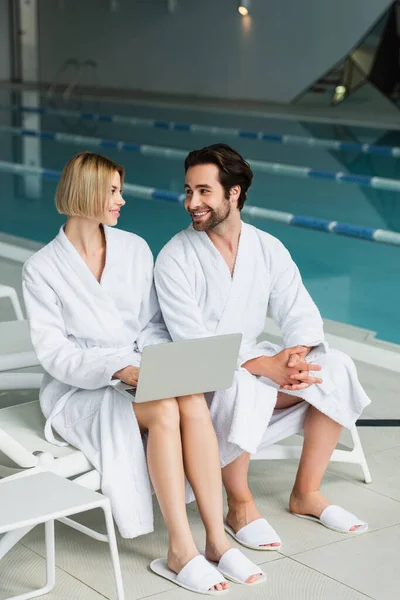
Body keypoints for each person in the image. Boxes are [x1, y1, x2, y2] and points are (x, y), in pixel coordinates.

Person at [22, 151, 266, 595]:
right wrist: (120, 368)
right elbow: (55, 355)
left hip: (139, 369)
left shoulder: (133, 249)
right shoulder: (41, 269)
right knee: (162, 410)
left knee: (190, 397)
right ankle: (180, 548)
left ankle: (214, 538)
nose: (122, 201)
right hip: (80, 391)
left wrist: (150, 365)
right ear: (88, 194)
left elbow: (154, 324)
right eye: (114, 192)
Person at [154, 143, 371, 550]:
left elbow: (299, 309)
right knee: (239, 386)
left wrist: (296, 356)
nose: (192, 203)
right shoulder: (175, 257)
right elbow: (192, 341)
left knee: (335, 365)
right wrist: (263, 366)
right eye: (188, 191)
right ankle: (239, 504)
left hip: (258, 359)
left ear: (233, 193)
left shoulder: (266, 247)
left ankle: (306, 492)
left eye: (204, 192)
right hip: (204, 370)